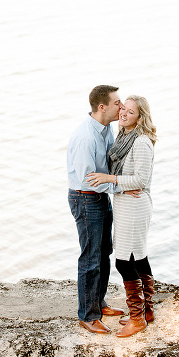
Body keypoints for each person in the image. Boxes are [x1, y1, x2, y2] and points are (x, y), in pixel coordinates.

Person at [86, 95, 157, 338]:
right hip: (126, 204)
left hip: (136, 206)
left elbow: (141, 180)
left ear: (140, 117)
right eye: (123, 109)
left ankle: (137, 319)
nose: (124, 114)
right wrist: (120, 184)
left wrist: (111, 179)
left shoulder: (141, 142)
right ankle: (146, 312)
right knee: (138, 259)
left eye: (131, 112)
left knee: (124, 262)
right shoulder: (124, 137)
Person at [66, 85, 128, 334]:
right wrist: (120, 187)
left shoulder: (106, 129)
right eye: (117, 103)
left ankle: (99, 304)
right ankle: (88, 316)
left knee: (105, 253)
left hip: (100, 197)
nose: (121, 107)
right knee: (90, 257)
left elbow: (109, 166)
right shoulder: (85, 136)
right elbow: (87, 177)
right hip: (86, 198)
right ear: (102, 107)